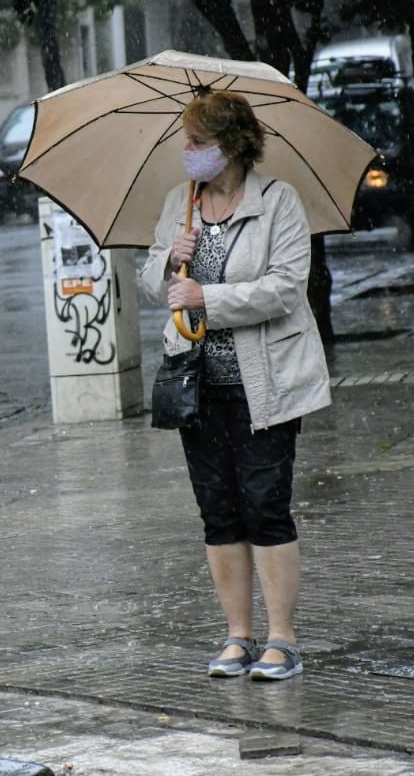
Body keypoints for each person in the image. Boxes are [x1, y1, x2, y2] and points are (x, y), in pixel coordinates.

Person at [138, 90, 332, 681]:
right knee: (218, 512)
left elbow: (285, 288)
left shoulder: (279, 203)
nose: (187, 152)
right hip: (199, 386)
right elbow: (153, 285)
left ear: (231, 145)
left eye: (197, 142)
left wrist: (208, 298)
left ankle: (283, 640)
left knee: (265, 507)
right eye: (187, 141)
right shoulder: (181, 203)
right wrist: (171, 262)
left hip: (265, 385)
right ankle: (237, 636)